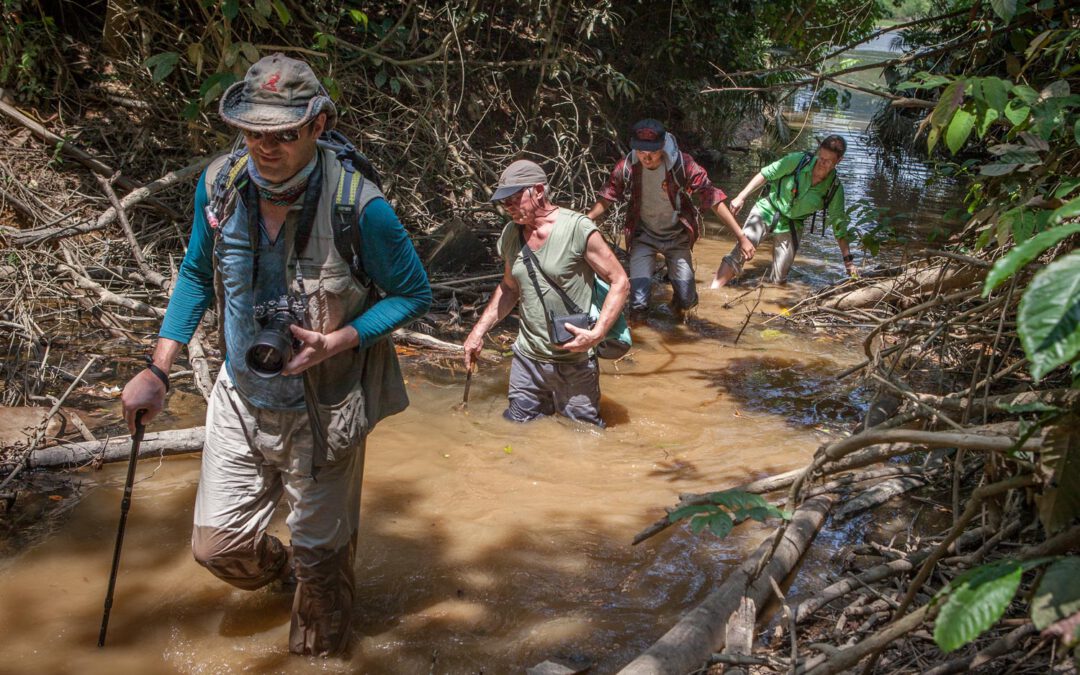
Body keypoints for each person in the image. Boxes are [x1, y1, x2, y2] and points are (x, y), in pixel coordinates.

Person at [119, 54, 431, 657]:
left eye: (283, 133)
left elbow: (415, 294)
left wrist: (342, 339)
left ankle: (318, 589)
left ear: (318, 124)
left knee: (319, 623)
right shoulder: (219, 186)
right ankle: (287, 569)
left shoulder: (361, 208)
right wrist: (158, 368)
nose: (266, 147)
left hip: (325, 409)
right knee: (217, 549)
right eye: (253, 132)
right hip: (240, 396)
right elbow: (194, 275)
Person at [462, 159, 628, 427]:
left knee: (583, 435)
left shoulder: (577, 228)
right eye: (505, 203)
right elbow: (508, 287)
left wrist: (596, 335)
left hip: (574, 361)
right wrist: (477, 333)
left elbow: (619, 280)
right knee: (515, 428)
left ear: (538, 190)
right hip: (527, 359)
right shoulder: (511, 235)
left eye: (516, 199)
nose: (510, 208)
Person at [586, 118, 754, 319]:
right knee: (638, 303)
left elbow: (713, 197)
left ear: (663, 146)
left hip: (676, 236)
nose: (646, 159)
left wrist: (741, 237)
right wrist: (585, 220)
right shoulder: (627, 166)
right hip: (644, 236)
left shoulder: (683, 164)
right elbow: (608, 196)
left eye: (653, 153)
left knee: (686, 301)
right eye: (641, 152)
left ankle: (674, 307)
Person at [710, 135, 857, 287]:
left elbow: (839, 226)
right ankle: (714, 290)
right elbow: (765, 174)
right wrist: (741, 196)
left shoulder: (835, 189)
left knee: (779, 280)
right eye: (820, 157)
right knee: (740, 251)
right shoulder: (798, 161)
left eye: (828, 161)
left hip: (792, 224)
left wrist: (848, 262)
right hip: (768, 208)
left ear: (839, 161)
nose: (821, 163)